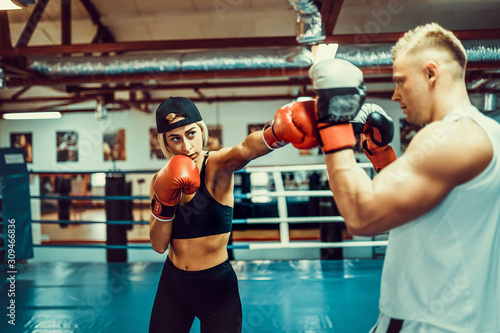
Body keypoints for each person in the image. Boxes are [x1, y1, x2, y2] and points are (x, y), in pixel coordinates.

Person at [308, 23, 500, 332]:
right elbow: (423, 207)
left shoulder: (451, 135)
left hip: (430, 321)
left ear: (431, 73)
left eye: (400, 81)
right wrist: (383, 158)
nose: (396, 94)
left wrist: (333, 125)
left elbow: (362, 216)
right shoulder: (486, 132)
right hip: (460, 317)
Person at [148, 96, 319, 332]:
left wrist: (276, 134)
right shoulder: (159, 180)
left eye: (191, 134)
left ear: (201, 130)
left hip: (216, 287)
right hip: (173, 286)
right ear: (165, 143)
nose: (187, 147)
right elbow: (158, 245)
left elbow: (245, 149)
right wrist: (165, 203)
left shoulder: (217, 164)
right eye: (175, 138)